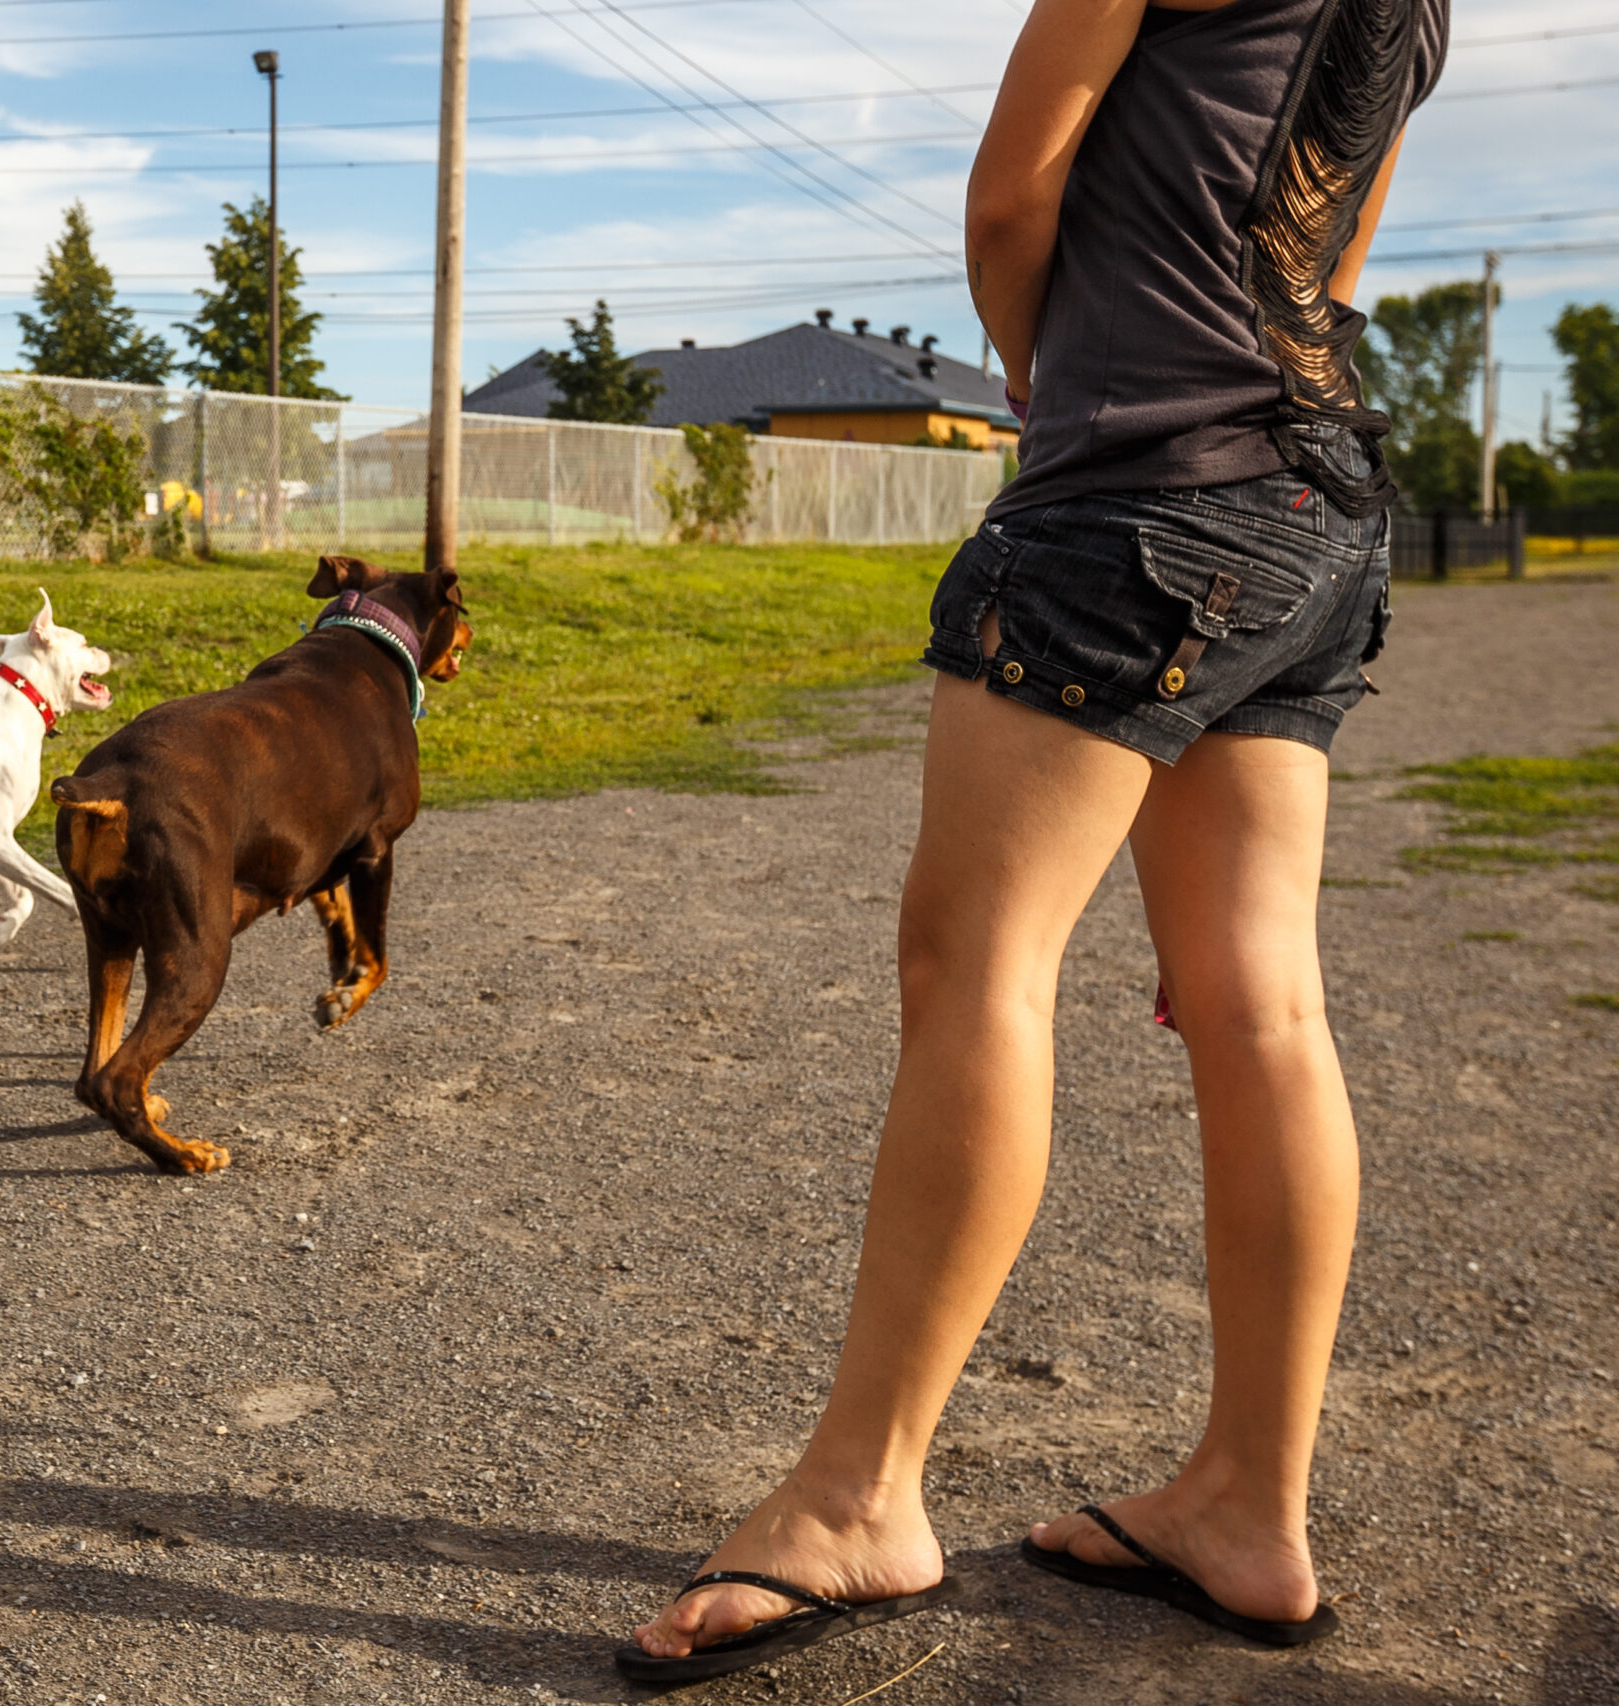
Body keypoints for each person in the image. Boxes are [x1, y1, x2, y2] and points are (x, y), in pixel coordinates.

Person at [620, 0, 1450, 1684]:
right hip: (1318, 502)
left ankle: (860, 1494)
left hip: (1141, 488)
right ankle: (1247, 1501)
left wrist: (1038, 369)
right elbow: (1336, 240)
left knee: (980, 962)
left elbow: (1015, 201)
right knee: (1259, 1000)